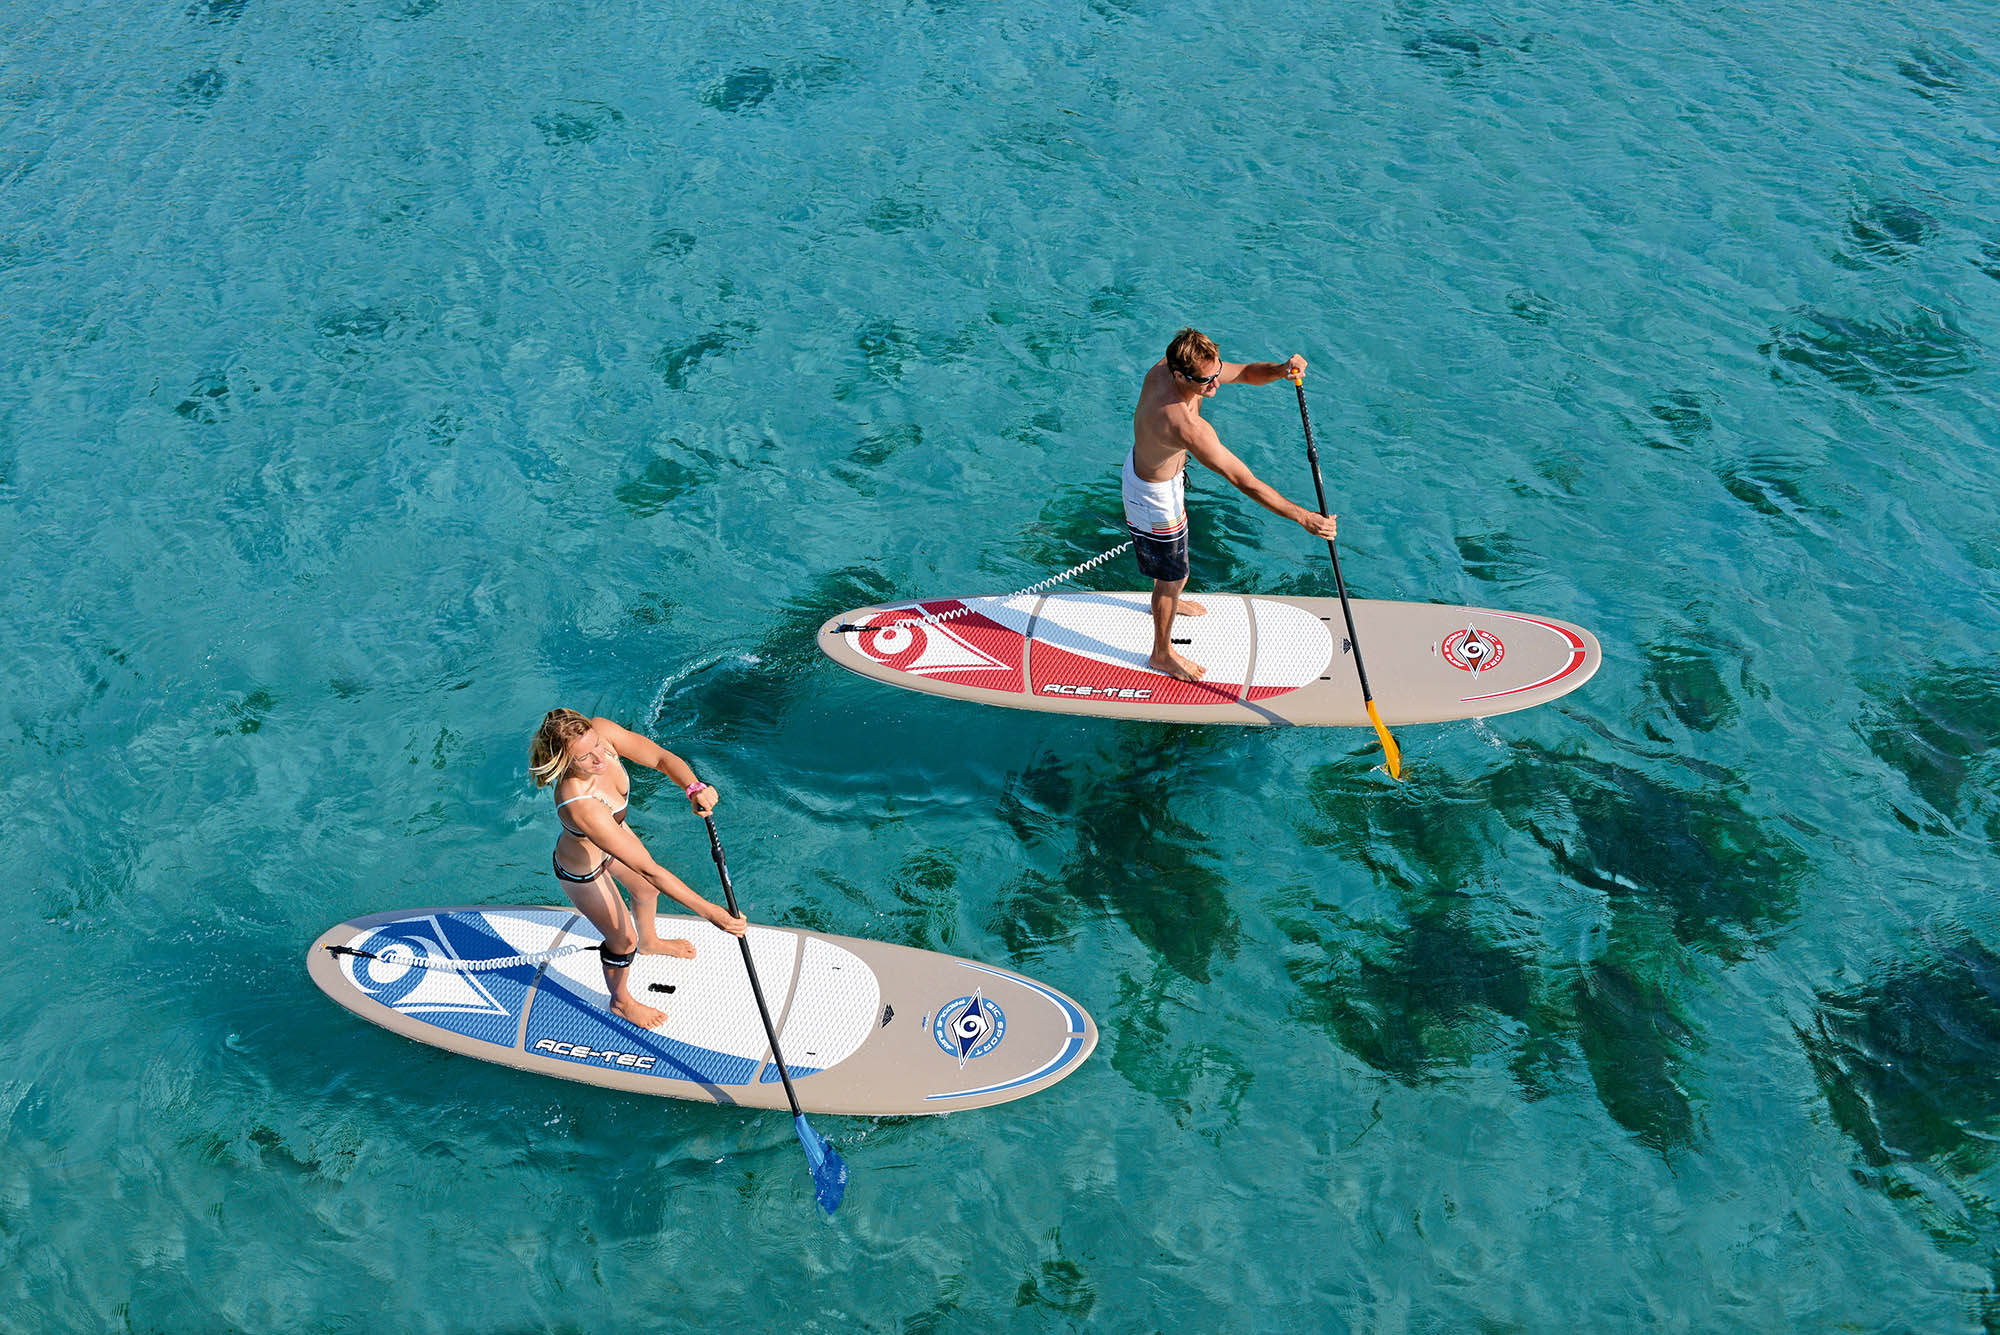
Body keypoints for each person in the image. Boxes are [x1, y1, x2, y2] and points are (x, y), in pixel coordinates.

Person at [1126, 327, 1342, 682]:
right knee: (1173, 575)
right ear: (1179, 375)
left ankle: (1171, 600)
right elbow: (1246, 482)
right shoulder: (1186, 426)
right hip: (1153, 497)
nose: (1215, 385)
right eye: (1206, 382)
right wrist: (1304, 518)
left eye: (1215, 374)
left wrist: (1280, 369)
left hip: (1161, 474)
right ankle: (1161, 653)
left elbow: (1241, 373)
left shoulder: (1179, 366)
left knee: (1175, 574)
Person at [528, 709, 747, 1029]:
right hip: (584, 869)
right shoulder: (580, 804)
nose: (599, 760)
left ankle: (651, 942)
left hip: (614, 834)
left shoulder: (603, 733)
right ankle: (620, 1001)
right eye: (584, 758)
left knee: (646, 891)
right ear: (563, 761)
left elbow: (660, 758)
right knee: (623, 941)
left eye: (597, 747)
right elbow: (649, 868)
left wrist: (693, 788)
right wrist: (711, 912)